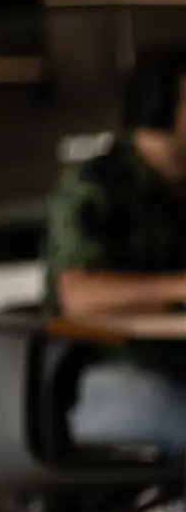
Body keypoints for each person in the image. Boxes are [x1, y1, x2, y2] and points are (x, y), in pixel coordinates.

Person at [46, 46, 186, 451]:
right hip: (106, 375)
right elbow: (78, 297)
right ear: (160, 107)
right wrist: (178, 288)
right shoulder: (97, 185)